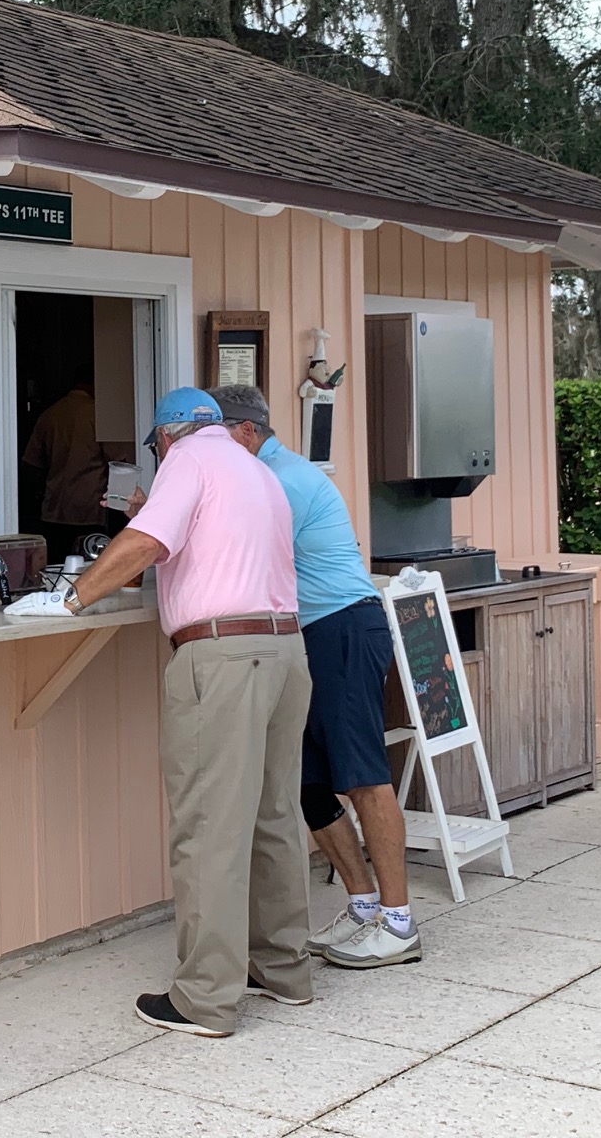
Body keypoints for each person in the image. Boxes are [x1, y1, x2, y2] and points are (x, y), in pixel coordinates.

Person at [5, 386, 316, 1036]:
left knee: (209, 827)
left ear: (167, 436)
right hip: (285, 649)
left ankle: (205, 998)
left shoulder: (188, 460)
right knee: (275, 815)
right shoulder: (257, 471)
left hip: (223, 658)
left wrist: (70, 599)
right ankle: (284, 968)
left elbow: (146, 543)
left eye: (155, 448)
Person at [210, 383, 420, 969]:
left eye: (215, 437)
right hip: (304, 638)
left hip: (342, 629)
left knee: (362, 775)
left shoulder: (282, 479)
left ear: (247, 432)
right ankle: (362, 905)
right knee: (306, 780)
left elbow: (232, 544)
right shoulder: (254, 474)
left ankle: (399, 923)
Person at [20, 379, 108, 559]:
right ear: (93, 384)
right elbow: (117, 461)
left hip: (55, 508)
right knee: (89, 564)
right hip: (90, 507)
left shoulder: (50, 414)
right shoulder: (98, 415)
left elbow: (30, 463)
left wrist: (46, 487)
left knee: (57, 564)